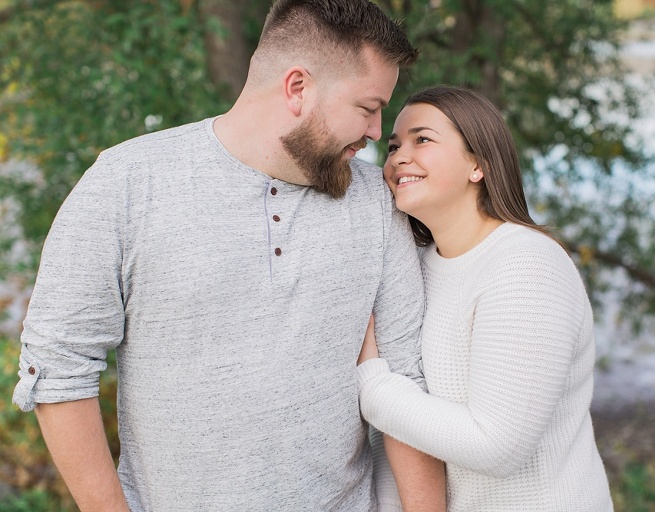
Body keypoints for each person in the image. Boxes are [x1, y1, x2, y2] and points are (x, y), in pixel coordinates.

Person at [11, 1, 446, 510]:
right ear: (298, 87)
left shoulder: (375, 201)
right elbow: (58, 368)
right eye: (368, 108)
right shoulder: (127, 183)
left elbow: (405, 384)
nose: (377, 132)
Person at [357, 85, 614, 511]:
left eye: (422, 139)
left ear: (477, 164)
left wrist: (371, 382)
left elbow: (497, 447)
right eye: (393, 145)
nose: (399, 157)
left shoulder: (526, 266)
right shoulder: (417, 265)